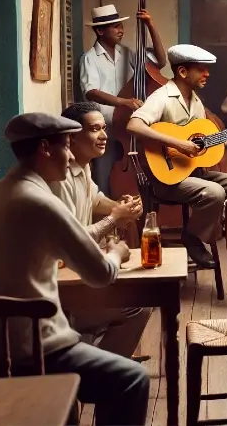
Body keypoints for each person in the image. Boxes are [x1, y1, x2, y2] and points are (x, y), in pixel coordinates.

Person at [0, 112, 149, 426]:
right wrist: (118, 252)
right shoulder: (40, 201)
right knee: (133, 379)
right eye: (65, 146)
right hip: (31, 352)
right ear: (45, 150)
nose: (70, 155)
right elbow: (101, 274)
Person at [127, 44, 227, 268]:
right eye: (201, 69)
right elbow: (134, 124)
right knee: (215, 193)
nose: (207, 74)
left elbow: (205, 145)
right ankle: (193, 237)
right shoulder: (163, 97)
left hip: (195, 173)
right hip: (167, 178)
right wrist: (179, 143)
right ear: (182, 72)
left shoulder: (196, 101)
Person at [48, 101, 152, 361]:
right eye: (95, 129)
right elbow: (68, 242)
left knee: (135, 292)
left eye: (104, 128)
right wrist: (115, 219)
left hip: (75, 273)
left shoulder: (83, 164)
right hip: (59, 290)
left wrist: (120, 206)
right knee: (137, 306)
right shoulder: (60, 177)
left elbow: (94, 200)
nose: (104, 136)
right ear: (71, 138)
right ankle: (99, 371)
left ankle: (102, 363)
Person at [79, 5, 168, 196]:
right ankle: (107, 223)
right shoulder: (89, 58)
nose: (121, 30)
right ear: (100, 30)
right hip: (106, 129)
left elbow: (160, 62)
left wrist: (151, 25)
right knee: (104, 178)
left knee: (135, 180)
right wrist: (123, 102)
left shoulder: (127, 54)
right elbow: (91, 92)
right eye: (115, 27)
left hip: (129, 128)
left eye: (121, 26)